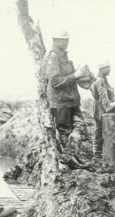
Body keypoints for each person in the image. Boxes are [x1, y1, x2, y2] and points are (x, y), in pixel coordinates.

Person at [44, 29, 91, 166]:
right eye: (63, 39)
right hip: (61, 102)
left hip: (71, 100)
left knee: (80, 126)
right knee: (65, 131)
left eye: (67, 39)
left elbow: (70, 77)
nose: (66, 42)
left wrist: (81, 75)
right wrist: (76, 75)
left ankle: (69, 156)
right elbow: (55, 82)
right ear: (55, 40)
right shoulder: (53, 57)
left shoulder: (64, 56)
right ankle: (71, 161)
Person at [90, 62, 115, 158]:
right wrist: (110, 106)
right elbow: (103, 97)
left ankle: (102, 152)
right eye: (107, 68)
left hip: (102, 109)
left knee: (102, 130)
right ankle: (98, 154)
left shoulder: (103, 80)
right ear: (102, 69)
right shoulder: (100, 81)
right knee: (100, 130)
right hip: (102, 110)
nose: (109, 70)